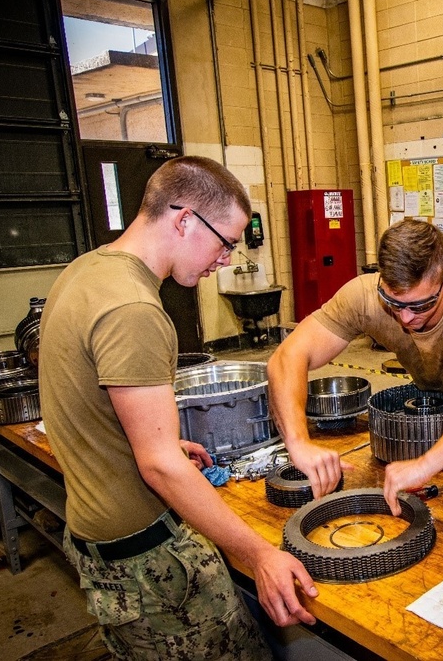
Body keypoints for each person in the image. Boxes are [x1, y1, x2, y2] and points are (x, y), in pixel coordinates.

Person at [39, 156, 317, 659]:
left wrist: (150, 439)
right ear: (185, 218)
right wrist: (258, 554)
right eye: (225, 242)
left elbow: (79, 401)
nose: (226, 259)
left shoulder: (87, 271)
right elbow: (160, 466)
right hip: (147, 562)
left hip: (94, 538)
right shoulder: (134, 310)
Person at [267, 219, 443, 516]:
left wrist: (426, 464)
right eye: (392, 301)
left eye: (420, 306)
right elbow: (287, 356)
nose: (405, 318)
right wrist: (298, 442)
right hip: (427, 422)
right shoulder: (363, 295)